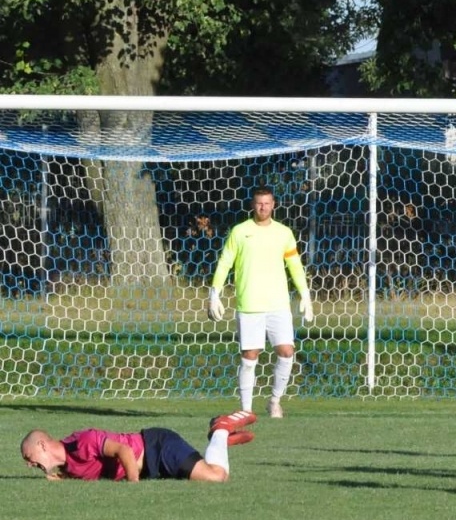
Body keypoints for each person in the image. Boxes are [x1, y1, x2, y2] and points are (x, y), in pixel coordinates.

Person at [208, 187, 314, 422]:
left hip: (278, 304)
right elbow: (225, 262)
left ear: (273, 205)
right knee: (249, 356)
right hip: (249, 304)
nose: (263, 207)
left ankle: (275, 401)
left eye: (267, 203)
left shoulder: (284, 233)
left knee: (287, 352)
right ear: (253, 205)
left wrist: (305, 294)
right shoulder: (240, 232)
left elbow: (295, 265)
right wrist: (215, 293)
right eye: (259, 203)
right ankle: (246, 410)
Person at [19, 413, 256, 483]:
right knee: (219, 475)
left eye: (28, 457)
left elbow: (124, 451)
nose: (29, 464)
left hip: (157, 446)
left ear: (42, 444)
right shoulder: (68, 467)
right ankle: (220, 441)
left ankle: (220, 429)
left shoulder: (82, 441)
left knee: (217, 477)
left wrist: (133, 484)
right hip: (152, 467)